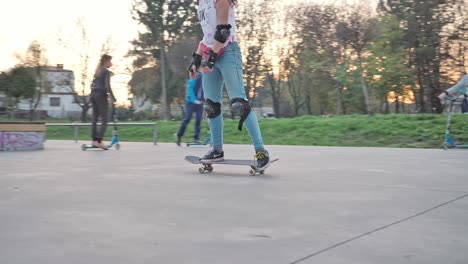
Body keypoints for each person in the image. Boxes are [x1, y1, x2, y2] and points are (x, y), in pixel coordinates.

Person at [188, 0, 270, 169]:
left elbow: (222, 31)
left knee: (239, 103)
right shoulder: (202, 2)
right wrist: (196, 59)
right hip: (210, 52)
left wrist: (210, 60)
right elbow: (207, 35)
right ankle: (216, 150)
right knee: (211, 106)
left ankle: (260, 151)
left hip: (228, 52)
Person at [90, 54, 116, 149]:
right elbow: (107, 86)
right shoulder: (106, 72)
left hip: (94, 94)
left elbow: (92, 84)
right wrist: (112, 97)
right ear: (106, 62)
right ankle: (99, 140)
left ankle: (94, 140)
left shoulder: (97, 71)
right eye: (110, 61)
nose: (111, 63)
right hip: (101, 95)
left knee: (95, 118)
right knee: (104, 119)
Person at [176, 72, 205, 146]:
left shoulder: (206, 78)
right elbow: (190, 89)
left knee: (198, 119)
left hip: (200, 103)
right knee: (187, 119)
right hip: (191, 102)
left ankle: (196, 138)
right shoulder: (195, 77)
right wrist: (194, 100)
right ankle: (179, 135)